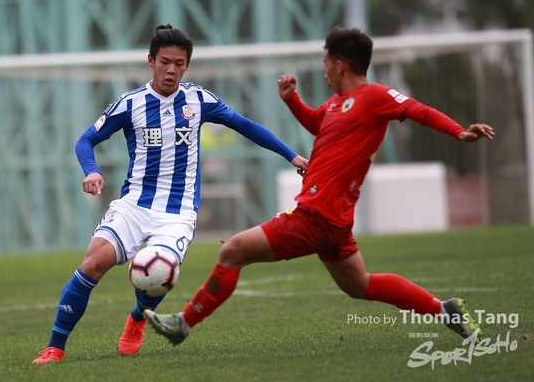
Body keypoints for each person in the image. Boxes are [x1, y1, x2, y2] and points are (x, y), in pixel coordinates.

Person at [144, 26, 495, 346]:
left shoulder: (376, 97)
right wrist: (292, 100)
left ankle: (183, 323)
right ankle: (444, 310)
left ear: (340, 65)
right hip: (334, 219)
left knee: (233, 251)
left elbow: (419, 110)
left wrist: (459, 131)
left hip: (316, 213)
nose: (324, 72)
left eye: (326, 64)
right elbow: (317, 124)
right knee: (360, 284)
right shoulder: (336, 104)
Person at [32, 24, 308, 363]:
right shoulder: (131, 104)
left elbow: (246, 126)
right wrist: (91, 170)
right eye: (165, 62)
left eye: (179, 63)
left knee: (160, 273)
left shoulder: (199, 100)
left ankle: (137, 318)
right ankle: (55, 348)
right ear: (151, 61)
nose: (171, 70)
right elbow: (86, 140)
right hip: (134, 204)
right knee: (92, 264)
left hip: (177, 212)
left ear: (187, 65)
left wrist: (291, 155)